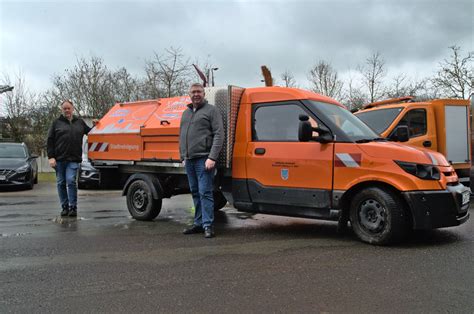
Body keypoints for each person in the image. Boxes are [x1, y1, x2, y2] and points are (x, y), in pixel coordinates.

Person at [179, 83, 224, 238]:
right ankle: (198, 224)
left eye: (199, 91)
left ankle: (208, 225)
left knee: (205, 192)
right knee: (195, 192)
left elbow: (219, 134)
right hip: (189, 160)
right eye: (193, 92)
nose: (196, 94)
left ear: (204, 93)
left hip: (204, 159)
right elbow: (182, 135)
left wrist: (212, 157)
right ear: (189, 94)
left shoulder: (211, 111)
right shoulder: (186, 113)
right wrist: (182, 156)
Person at [47, 100, 93, 217]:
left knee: (71, 181)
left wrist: (97, 125)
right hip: (59, 160)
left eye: (69, 108)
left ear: (73, 109)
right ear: (62, 110)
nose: (67, 110)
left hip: (73, 159)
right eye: (64, 108)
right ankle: (64, 207)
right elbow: (50, 140)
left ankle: (73, 207)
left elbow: (91, 133)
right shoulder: (56, 123)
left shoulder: (80, 123)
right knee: (61, 182)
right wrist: (51, 157)